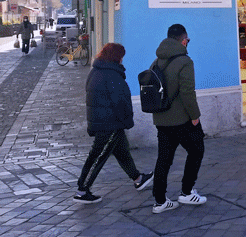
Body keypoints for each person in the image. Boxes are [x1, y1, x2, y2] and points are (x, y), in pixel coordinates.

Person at [74, 43, 153, 204]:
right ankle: (82, 189)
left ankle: (138, 178)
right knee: (97, 156)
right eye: (122, 56)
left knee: (122, 151)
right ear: (117, 57)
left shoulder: (97, 71)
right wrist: (126, 119)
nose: (123, 59)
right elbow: (120, 101)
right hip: (109, 123)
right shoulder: (112, 75)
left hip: (103, 120)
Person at [151, 24, 205, 213]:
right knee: (197, 150)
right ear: (183, 40)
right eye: (187, 40)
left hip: (161, 119)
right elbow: (187, 92)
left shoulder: (157, 61)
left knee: (164, 159)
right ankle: (187, 191)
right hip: (181, 120)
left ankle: (159, 201)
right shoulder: (185, 62)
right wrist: (195, 116)